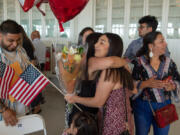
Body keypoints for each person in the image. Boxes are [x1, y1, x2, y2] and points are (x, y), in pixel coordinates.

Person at [65, 33, 135, 135]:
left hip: (111, 124)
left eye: (101, 42)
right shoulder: (119, 68)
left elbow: (98, 102)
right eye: (96, 42)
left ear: (112, 47)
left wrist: (74, 98)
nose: (95, 45)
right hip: (119, 120)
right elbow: (133, 90)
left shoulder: (110, 71)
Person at [131, 31, 180, 135]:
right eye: (161, 41)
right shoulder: (138, 63)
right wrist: (145, 84)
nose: (165, 44)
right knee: (141, 133)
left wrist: (172, 86)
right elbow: (129, 84)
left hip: (164, 106)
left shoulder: (169, 62)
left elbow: (177, 80)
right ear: (151, 46)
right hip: (142, 106)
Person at [0, 20, 29, 126]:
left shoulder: (21, 51)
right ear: (0, 36)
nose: (15, 44)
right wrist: (4, 110)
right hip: (4, 113)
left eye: (18, 40)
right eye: (10, 40)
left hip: (22, 107)